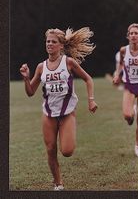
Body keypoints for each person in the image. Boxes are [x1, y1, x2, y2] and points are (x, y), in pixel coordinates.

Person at [20, 27, 98, 190]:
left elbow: (88, 79)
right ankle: (58, 183)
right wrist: (26, 79)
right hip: (48, 113)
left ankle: (59, 179)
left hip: (67, 113)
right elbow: (30, 92)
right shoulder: (41, 67)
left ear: (61, 45)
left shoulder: (68, 62)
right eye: (48, 41)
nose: (49, 44)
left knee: (67, 151)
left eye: (53, 42)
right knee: (50, 149)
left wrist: (91, 100)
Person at [113, 23, 138, 157]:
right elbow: (120, 65)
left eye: (136, 33)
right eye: (131, 33)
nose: (133, 35)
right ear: (128, 36)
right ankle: (132, 113)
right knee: (127, 115)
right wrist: (116, 74)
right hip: (129, 86)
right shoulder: (123, 50)